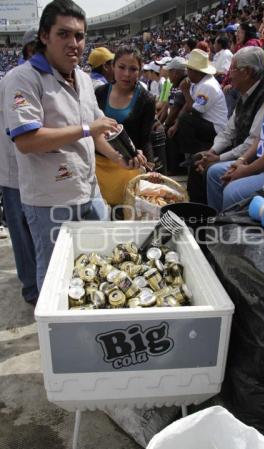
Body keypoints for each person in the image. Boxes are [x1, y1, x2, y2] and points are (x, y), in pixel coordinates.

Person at [3, 0, 144, 291]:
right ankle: (53, 332)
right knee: (56, 272)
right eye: (64, 34)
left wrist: (121, 157)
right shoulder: (23, 78)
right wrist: (85, 129)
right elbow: (27, 140)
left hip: (89, 191)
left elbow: (98, 131)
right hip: (49, 199)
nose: (74, 43)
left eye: (79, 36)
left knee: (102, 260)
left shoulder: (82, 78)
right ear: (44, 36)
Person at [206, 4, 264, 212]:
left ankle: (226, 237)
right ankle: (215, 224)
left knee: (233, 191)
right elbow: (262, 134)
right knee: (218, 174)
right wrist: (242, 162)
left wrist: (247, 170)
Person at [188, 47, 264, 203]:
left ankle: (219, 220)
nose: (228, 74)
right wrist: (211, 152)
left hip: (255, 158)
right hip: (239, 150)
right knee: (198, 160)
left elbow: (253, 142)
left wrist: (219, 157)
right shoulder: (245, 89)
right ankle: (201, 215)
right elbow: (229, 130)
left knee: (212, 170)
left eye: (232, 68)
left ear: (246, 72)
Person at [0, 30, 39, 305]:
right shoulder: (13, 79)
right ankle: (31, 287)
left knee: (36, 231)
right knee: (22, 233)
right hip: (12, 170)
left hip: (37, 170)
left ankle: (39, 282)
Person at [94, 45, 155, 206]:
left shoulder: (146, 99)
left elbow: (145, 138)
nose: (127, 74)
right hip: (98, 167)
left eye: (133, 69)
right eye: (121, 67)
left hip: (128, 168)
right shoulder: (99, 93)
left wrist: (151, 167)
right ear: (112, 67)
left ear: (140, 72)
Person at [170, 49, 228, 156]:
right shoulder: (198, 83)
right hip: (205, 123)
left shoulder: (207, 85)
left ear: (196, 71)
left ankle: (194, 153)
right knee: (179, 122)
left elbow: (195, 112)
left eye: (189, 70)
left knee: (185, 119)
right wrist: (176, 125)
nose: (187, 73)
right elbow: (188, 105)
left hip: (216, 127)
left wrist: (185, 91)